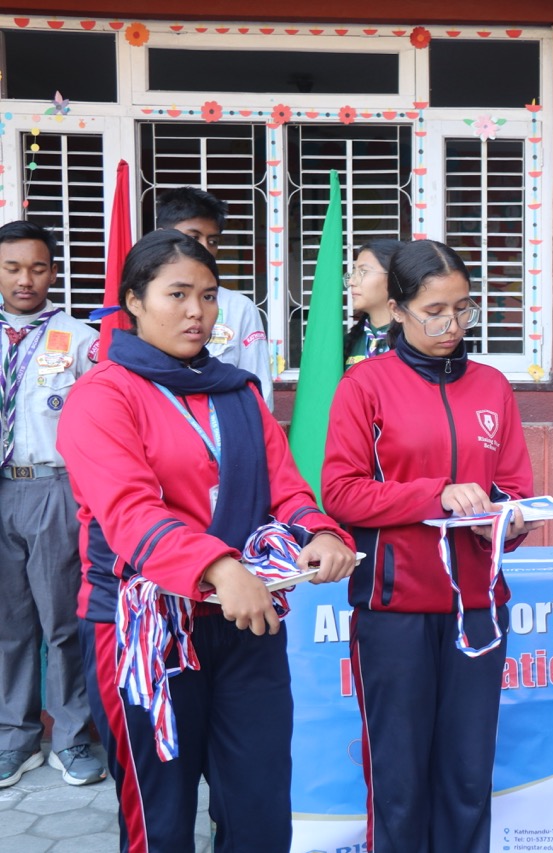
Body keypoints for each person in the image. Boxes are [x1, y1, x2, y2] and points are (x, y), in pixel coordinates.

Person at [58, 229, 357, 852]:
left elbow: (286, 489)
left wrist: (321, 530)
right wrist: (219, 568)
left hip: (245, 622)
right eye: (178, 294)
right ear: (134, 301)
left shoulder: (237, 391)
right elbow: (129, 511)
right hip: (143, 631)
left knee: (259, 810)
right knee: (160, 819)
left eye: (209, 295)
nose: (197, 311)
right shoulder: (102, 395)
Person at [322, 239, 537, 853]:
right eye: (434, 311)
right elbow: (340, 492)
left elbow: (514, 487)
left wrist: (509, 521)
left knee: (468, 776)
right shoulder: (365, 385)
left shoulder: (492, 386)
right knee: (399, 779)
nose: (452, 325)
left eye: (463, 309)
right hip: (395, 608)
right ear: (396, 310)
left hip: (479, 607)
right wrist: (435, 496)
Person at [0, 221, 106, 788]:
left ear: (53, 272)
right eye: (13, 268)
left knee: (62, 619)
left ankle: (71, 737)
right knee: (8, 623)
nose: (26, 279)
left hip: (54, 488)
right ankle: (15, 738)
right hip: (1, 486)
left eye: (38, 268)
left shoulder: (81, 339)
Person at [155, 186, 275, 410]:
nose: (204, 248)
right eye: (193, 237)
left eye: (213, 241)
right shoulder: (144, 300)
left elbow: (260, 390)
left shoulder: (239, 308)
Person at [343, 238, 401, 368]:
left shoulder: (417, 341)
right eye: (353, 272)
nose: (351, 282)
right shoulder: (349, 343)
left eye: (363, 272)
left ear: (394, 277)